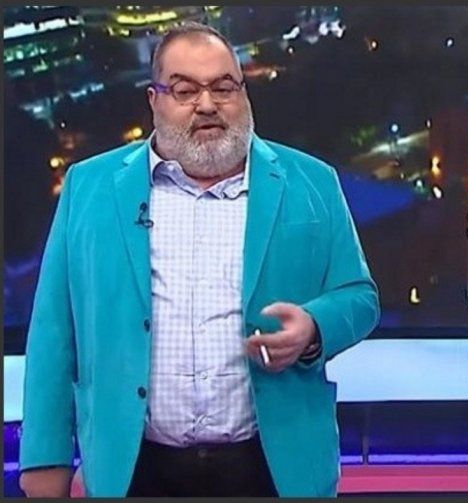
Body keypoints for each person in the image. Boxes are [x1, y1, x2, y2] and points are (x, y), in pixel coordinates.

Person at [18, 22, 379, 497]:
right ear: (154, 100)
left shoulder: (312, 181)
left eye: (224, 88)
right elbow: (53, 331)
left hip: (272, 468)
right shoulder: (89, 187)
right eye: (185, 90)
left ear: (243, 93)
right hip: (134, 469)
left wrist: (313, 327)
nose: (207, 104)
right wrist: (45, 459)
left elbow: (360, 297)